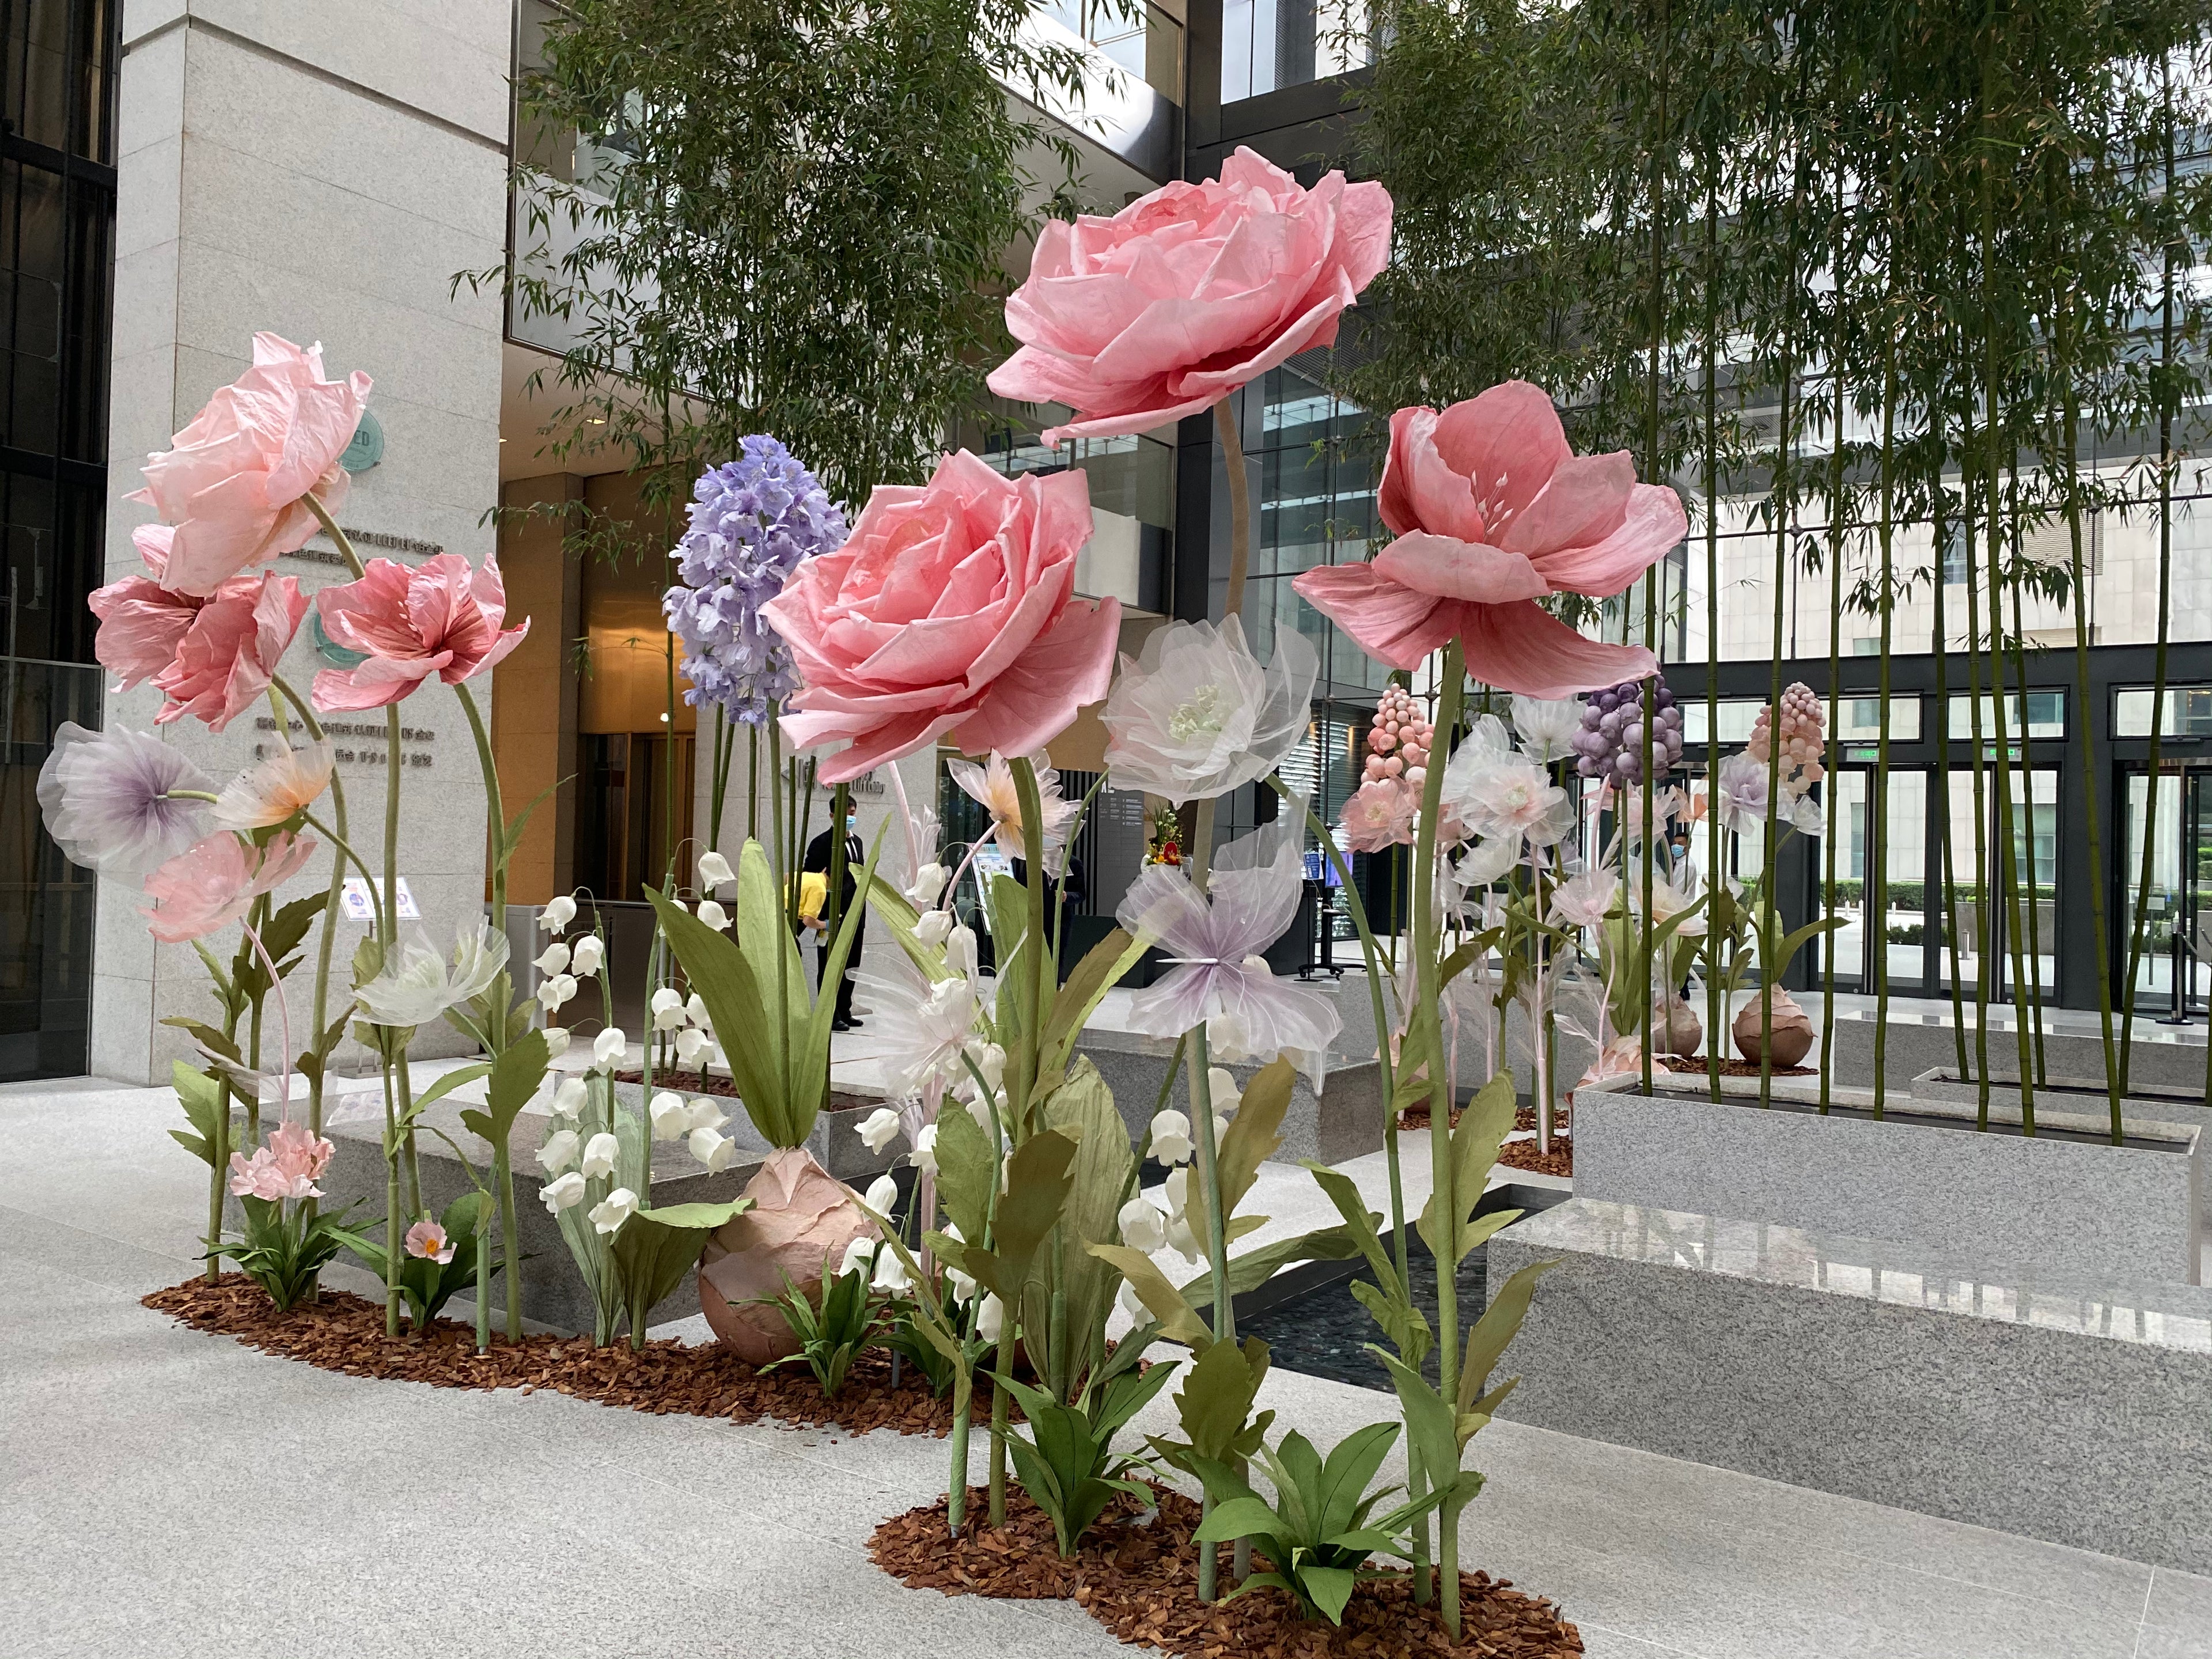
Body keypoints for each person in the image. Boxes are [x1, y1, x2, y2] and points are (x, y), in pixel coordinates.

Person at [803, 809, 866, 1031]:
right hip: (831, 913)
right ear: (832, 815)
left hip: (855, 911)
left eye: (853, 813)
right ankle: (830, 1014)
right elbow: (809, 878)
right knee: (830, 964)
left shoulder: (857, 842)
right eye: (845, 813)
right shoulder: (822, 842)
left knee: (852, 962)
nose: (850, 817)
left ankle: (845, 1010)